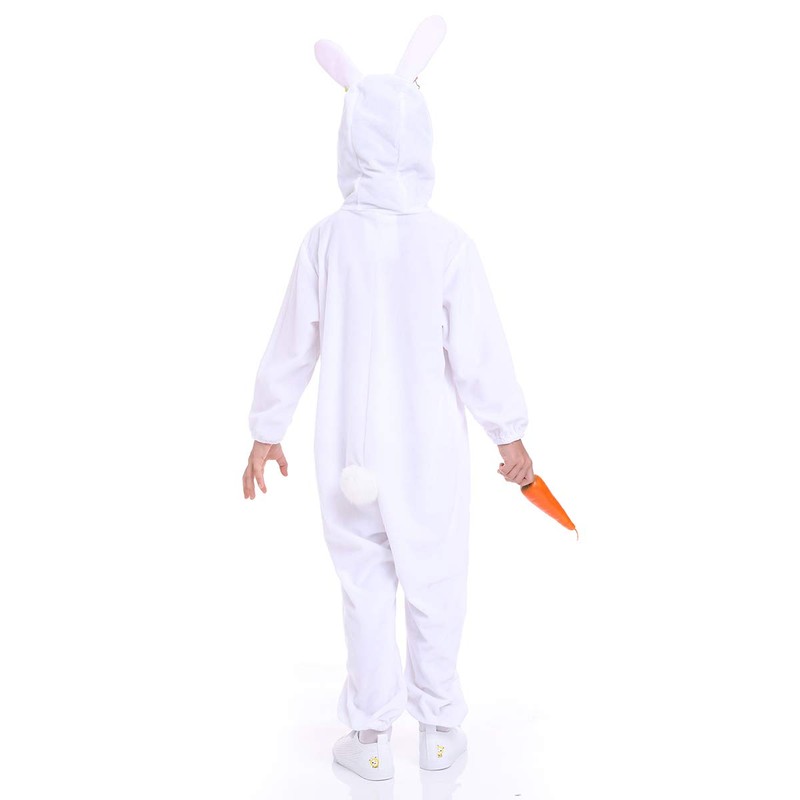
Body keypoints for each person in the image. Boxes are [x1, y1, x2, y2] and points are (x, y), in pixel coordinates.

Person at [242, 16, 533, 782]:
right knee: (434, 583)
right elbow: (480, 354)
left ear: (348, 144)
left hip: (349, 455)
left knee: (364, 587)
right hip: (427, 453)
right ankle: (438, 732)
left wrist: (266, 430)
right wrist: (509, 435)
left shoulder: (325, 241)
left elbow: (291, 344)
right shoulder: (448, 245)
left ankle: (371, 740)